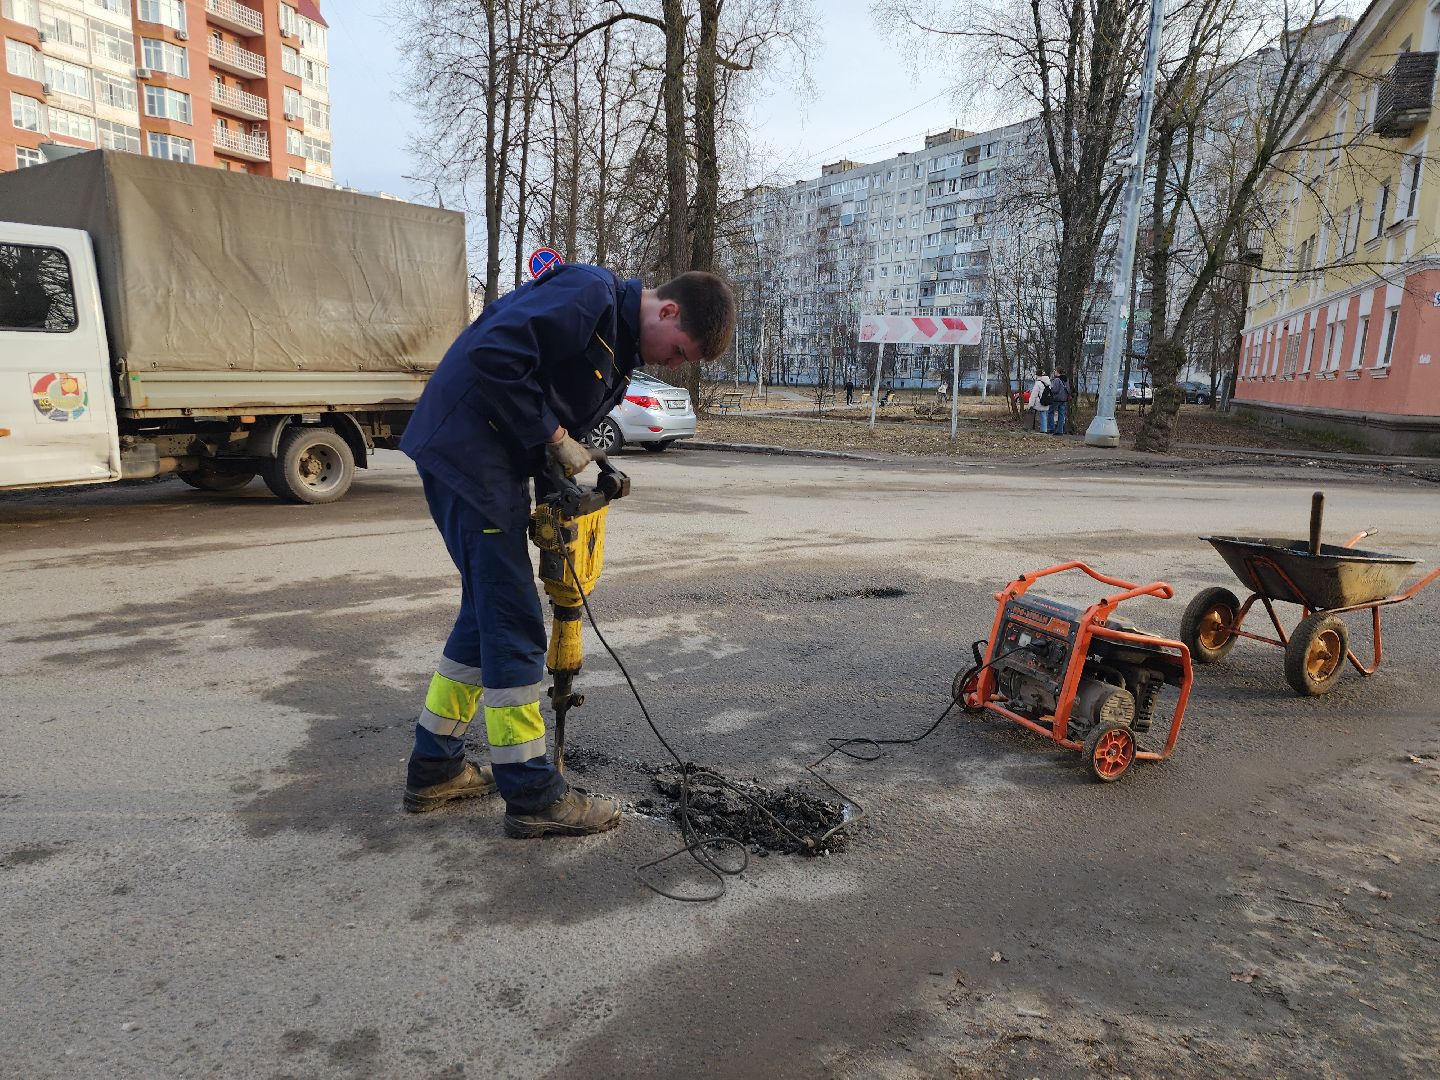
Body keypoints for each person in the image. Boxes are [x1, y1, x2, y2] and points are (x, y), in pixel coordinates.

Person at [399, 265, 737, 838]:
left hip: (489, 463)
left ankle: (435, 767)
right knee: (511, 619)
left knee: (485, 615)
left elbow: (539, 395)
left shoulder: (617, 343)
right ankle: (532, 793)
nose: (673, 365)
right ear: (668, 311)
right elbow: (492, 355)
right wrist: (556, 439)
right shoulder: (588, 297)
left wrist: (560, 471)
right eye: (679, 352)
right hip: (468, 456)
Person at [1048, 368, 1070, 436]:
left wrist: (1050, 389)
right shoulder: (1065, 379)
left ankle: (1051, 428)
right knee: (1061, 415)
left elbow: (1055, 390)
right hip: (1064, 399)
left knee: (1050, 412)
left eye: (1055, 371)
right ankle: (1060, 431)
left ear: (1057, 371)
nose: (1054, 372)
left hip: (1057, 399)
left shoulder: (1057, 379)